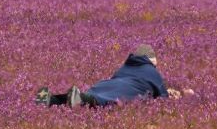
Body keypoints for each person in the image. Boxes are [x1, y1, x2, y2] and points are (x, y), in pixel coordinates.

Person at [36, 44, 167, 108]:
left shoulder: (124, 67)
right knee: (102, 100)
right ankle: (78, 98)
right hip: (127, 89)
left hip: (106, 84)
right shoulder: (152, 71)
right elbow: (163, 98)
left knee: (92, 94)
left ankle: (52, 99)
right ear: (151, 60)